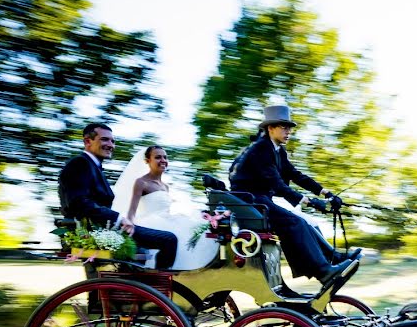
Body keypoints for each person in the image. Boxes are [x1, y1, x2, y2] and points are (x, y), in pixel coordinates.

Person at [229, 104, 357, 284]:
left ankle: (333, 257)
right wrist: (308, 202)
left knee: (302, 222)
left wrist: (325, 192)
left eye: (289, 128)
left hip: (260, 200)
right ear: (270, 128)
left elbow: (295, 175)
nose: (288, 131)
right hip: (249, 202)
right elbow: (277, 184)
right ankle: (323, 272)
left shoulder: (277, 150)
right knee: (294, 222)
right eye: (284, 127)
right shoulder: (260, 149)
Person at [58, 123, 178, 269]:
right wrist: (119, 218)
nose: (110, 145)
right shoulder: (79, 164)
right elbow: (79, 203)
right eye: (104, 140)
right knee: (169, 240)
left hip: (105, 228)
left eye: (112, 141)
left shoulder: (93, 167)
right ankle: (158, 286)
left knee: (159, 243)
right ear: (88, 141)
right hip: (94, 229)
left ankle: (141, 285)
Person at [112, 145, 218, 270]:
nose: (163, 160)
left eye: (165, 157)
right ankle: (160, 273)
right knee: (171, 239)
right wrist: (129, 226)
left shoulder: (165, 186)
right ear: (147, 161)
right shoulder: (141, 182)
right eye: (157, 157)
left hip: (166, 221)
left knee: (200, 231)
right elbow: (132, 211)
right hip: (149, 223)